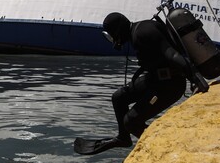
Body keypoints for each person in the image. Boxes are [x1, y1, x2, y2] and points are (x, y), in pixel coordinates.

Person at [73, 12, 189, 155]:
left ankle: (162, 150)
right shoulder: (136, 33)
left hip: (171, 85)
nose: (115, 40)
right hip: (155, 79)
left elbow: (172, 55)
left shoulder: (143, 32)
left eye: (113, 35)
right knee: (119, 97)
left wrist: (196, 79)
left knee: (131, 122)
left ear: (118, 30)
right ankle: (123, 138)